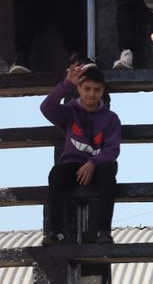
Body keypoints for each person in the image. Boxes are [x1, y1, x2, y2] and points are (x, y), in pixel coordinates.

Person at [40, 62, 120, 245]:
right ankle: (55, 232)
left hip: (98, 167)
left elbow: (112, 150)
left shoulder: (111, 118)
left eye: (96, 90)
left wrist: (92, 164)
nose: (91, 94)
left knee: (109, 171)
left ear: (102, 91)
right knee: (56, 174)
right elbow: (46, 107)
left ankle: (104, 231)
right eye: (87, 89)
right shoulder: (69, 111)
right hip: (73, 166)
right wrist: (66, 83)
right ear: (79, 89)